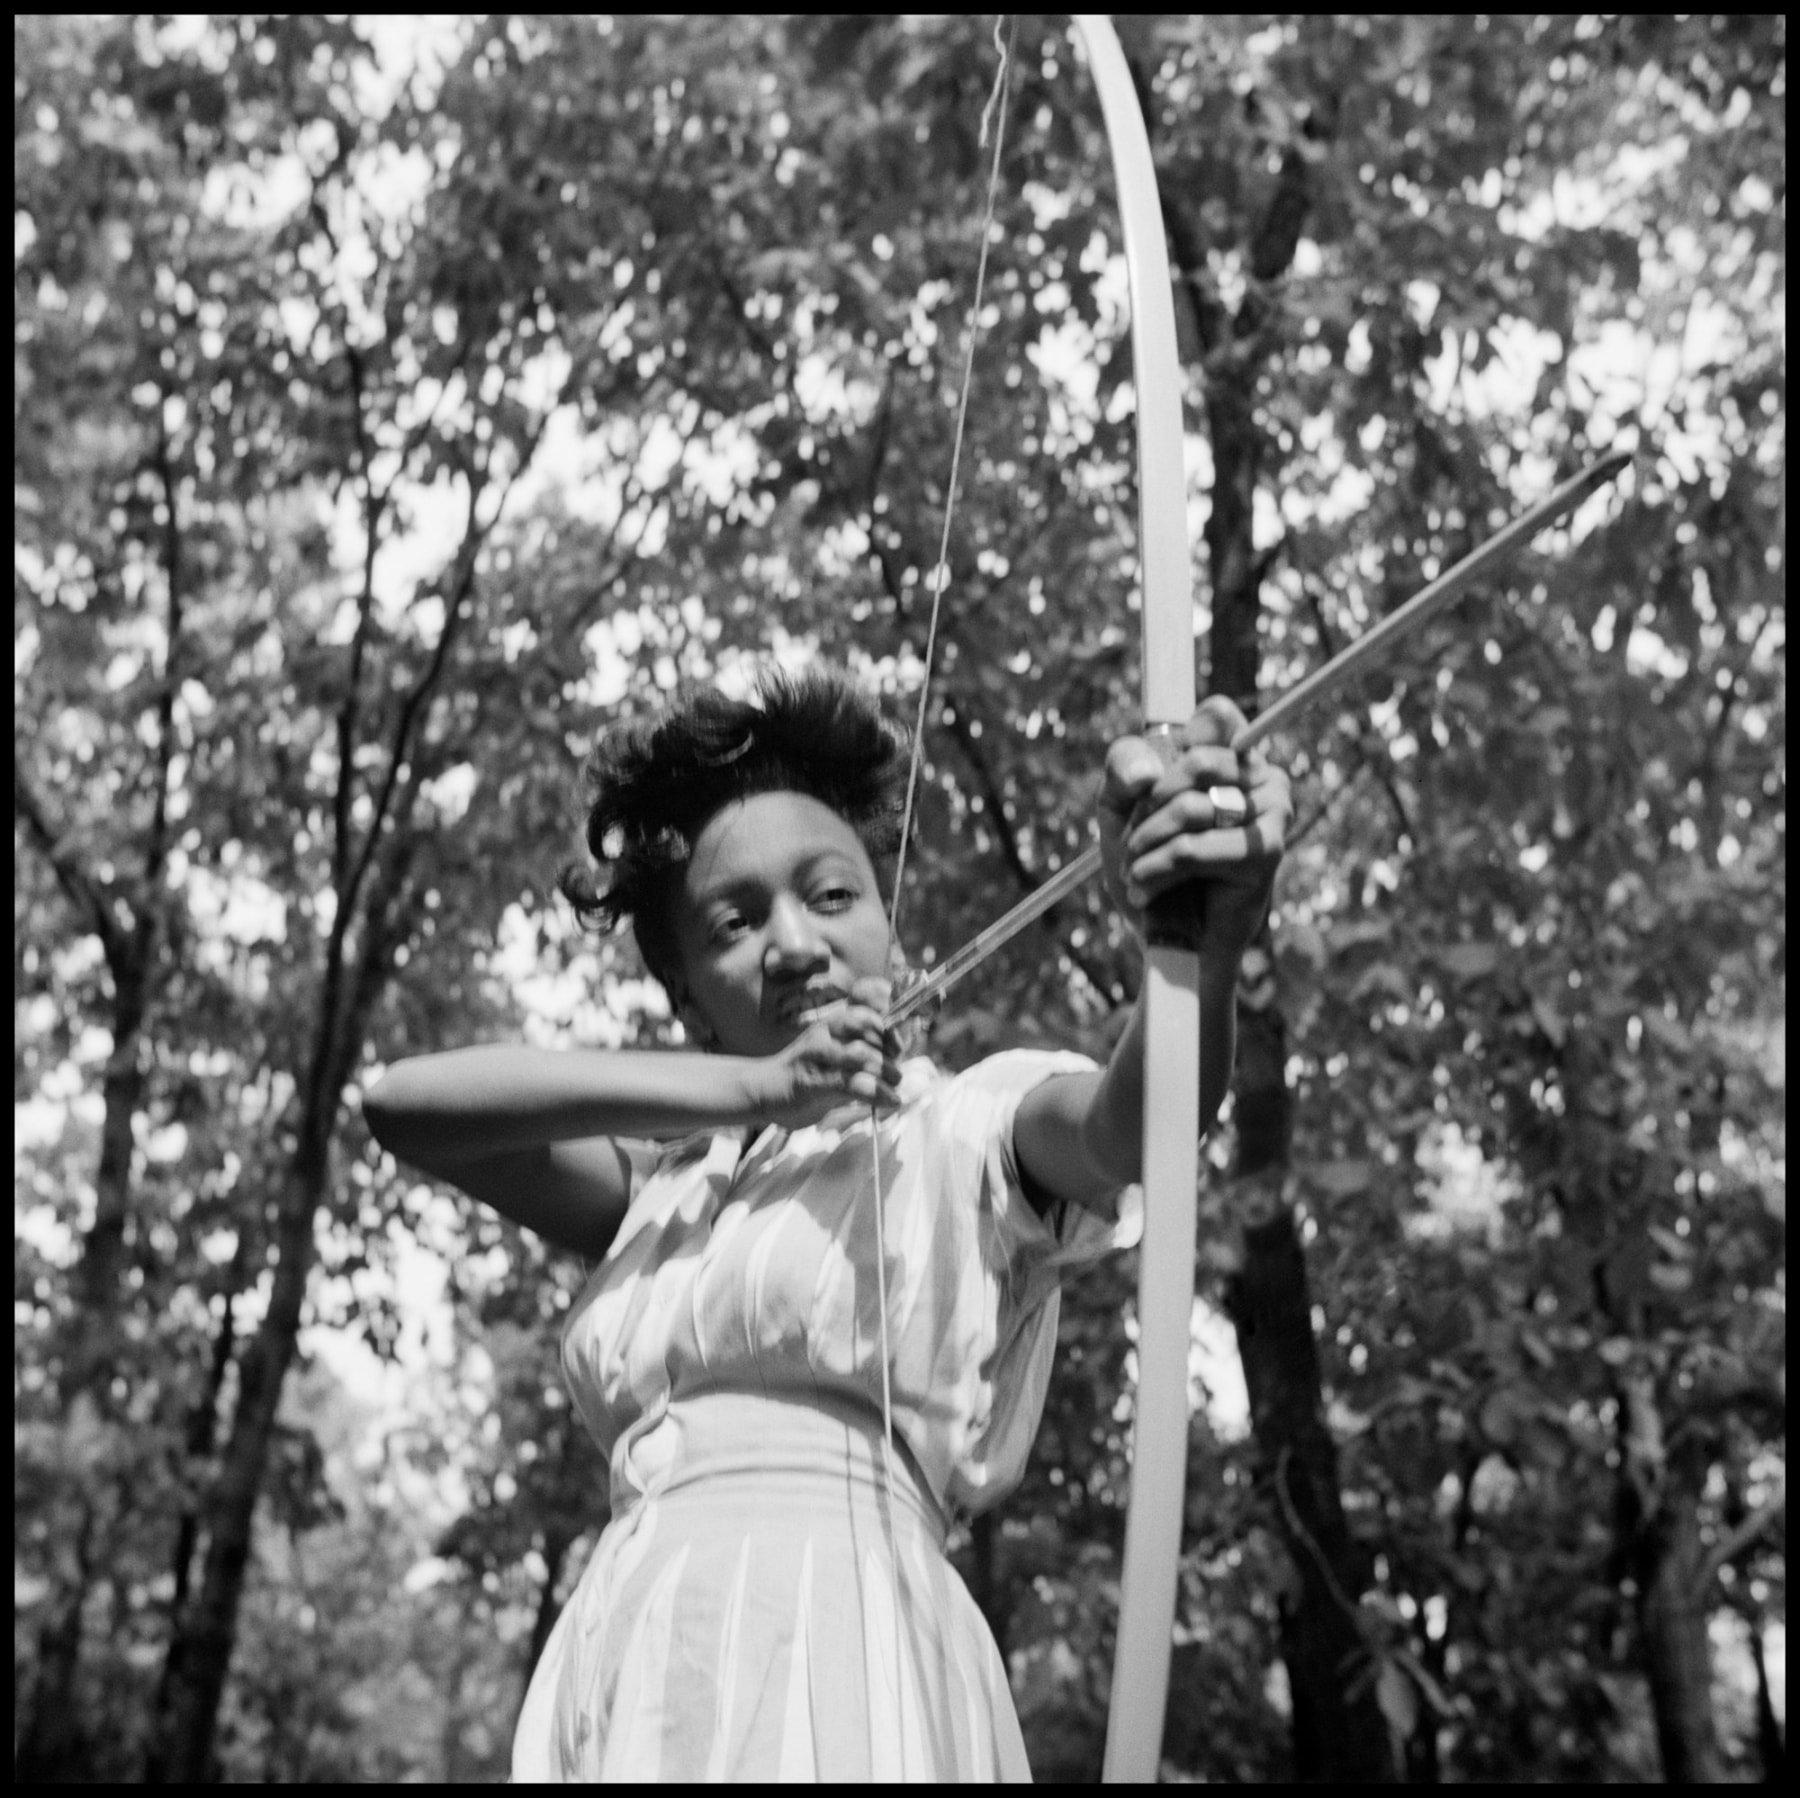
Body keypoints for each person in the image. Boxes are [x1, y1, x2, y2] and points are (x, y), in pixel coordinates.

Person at [363, 662, 1290, 1781]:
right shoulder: (665, 1183)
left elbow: (1129, 1127)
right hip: (632, 1649)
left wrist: (1197, 944)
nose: (795, 941)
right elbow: (403, 1105)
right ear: (689, 995)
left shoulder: (959, 1121)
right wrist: (753, 1093)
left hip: (848, 1627)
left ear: (889, 929)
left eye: (833, 895)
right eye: (737, 920)